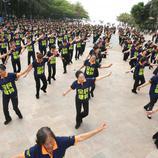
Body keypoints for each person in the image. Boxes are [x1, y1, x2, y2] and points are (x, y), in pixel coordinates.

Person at [14, 123, 107, 158]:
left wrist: (97, 130)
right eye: (46, 144)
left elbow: (80, 138)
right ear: (41, 143)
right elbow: (21, 156)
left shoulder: (61, 142)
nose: (50, 145)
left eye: (52, 141)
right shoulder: (35, 150)